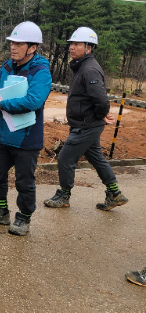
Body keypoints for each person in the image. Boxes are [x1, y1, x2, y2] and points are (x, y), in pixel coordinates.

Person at [0, 21, 52, 236]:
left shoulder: (41, 72)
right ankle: (1, 211)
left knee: (24, 182)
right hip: (3, 134)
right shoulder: (6, 66)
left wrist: (2, 104)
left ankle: (24, 217)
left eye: (19, 44)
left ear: (32, 47)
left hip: (26, 139)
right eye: (12, 43)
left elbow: (33, 101)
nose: (13, 47)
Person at [44, 27, 128, 210]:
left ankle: (64, 195)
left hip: (86, 126)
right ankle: (114, 194)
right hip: (87, 123)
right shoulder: (82, 66)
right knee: (97, 158)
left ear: (89, 48)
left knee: (65, 159)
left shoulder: (89, 69)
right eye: (71, 44)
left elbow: (101, 100)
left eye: (77, 44)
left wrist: (99, 117)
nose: (72, 48)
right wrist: (99, 116)